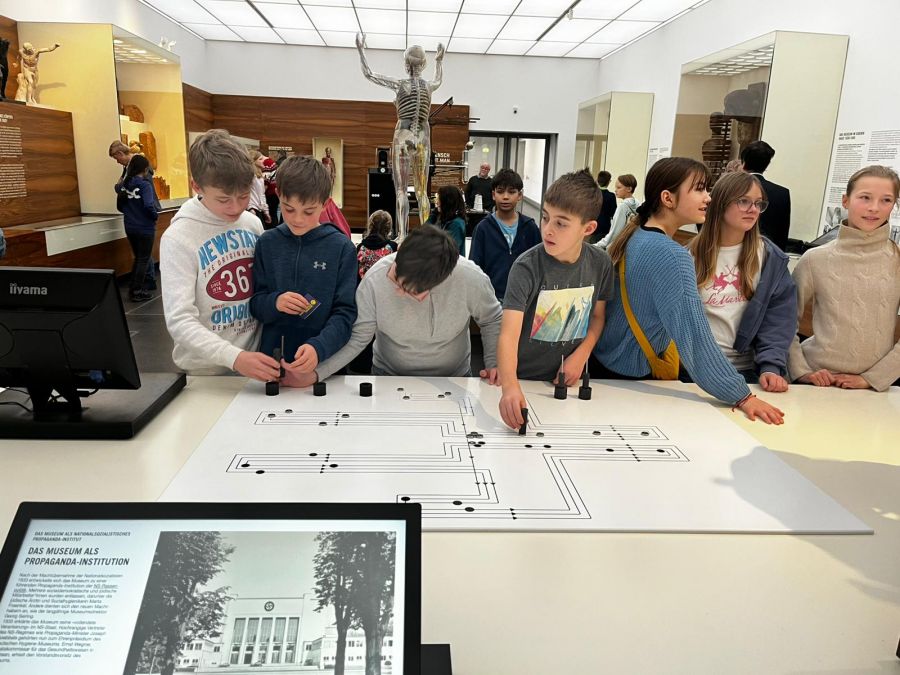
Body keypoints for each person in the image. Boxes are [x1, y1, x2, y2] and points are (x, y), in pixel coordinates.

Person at [592, 157, 785, 424]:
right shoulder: (671, 255)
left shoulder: (636, 236)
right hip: (633, 379)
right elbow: (694, 336)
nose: (708, 197)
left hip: (606, 371)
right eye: (699, 189)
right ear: (668, 198)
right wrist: (741, 395)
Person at [284, 226, 502, 387]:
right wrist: (316, 373)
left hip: (454, 378)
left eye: (408, 289)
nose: (397, 291)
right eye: (396, 276)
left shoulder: (471, 278)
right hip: (388, 377)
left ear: (438, 283)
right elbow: (358, 337)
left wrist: (494, 363)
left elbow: (492, 319)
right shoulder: (375, 279)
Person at [496, 169, 614, 429]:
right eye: (545, 218)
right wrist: (510, 385)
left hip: (568, 382)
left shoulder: (600, 263)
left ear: (588, 228)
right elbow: (508, 334)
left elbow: (597, 317)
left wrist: (581, 355)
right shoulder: (526, 267)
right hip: (523, 379)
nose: (548, 230)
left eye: (561, 223)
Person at [160, 129, 279, 382]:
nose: (235, 207)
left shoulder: (252, 224)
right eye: (223, 199)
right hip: (206, 372)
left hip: (256, 364)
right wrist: (234, 357)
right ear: (196, 186)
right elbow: (180, 320)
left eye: (243, 196)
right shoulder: (178, 237)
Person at [788, 165, 900, 391]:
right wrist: (802, 371)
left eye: (886, 200)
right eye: (865, 197)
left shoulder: (897, 260)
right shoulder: (814, 259)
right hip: (817, 382)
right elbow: (784, 320)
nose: (874, 208)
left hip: (875, 390)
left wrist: (872, 378)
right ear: (846, 201)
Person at [687, 172, 797, 391]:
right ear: (721, 203)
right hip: (693, 370)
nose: (753, 209)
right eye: (744, 201)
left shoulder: (769, 258)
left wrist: (770, 367)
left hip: (745, 370)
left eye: (758, 203)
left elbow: (779, 319)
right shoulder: (688, 255)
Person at [250, 155, 357, 378]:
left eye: (308, 211)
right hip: (272, 362)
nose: (298, 219)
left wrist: (320, 347)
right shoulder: (267, 243)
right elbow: (256, 303)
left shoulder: (341, 248)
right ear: (278, 195)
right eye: (289, 209)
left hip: (324, 365)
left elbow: (345, 313)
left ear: (325, 204)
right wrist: (275, 302)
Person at [469, 168, 541, 301]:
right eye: (500, 191)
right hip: (491, 299)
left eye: (511, 192)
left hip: (524, 299)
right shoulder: (483, 228)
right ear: (493, 194)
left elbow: (539, 264)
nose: (505, 197)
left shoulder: (529, 227)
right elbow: (475, 268)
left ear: (520, 195)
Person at [110, 140, 160, 289]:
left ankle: (145, 283)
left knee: (142, 255)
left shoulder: (139, 167)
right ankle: (146, 282)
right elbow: (119, 188)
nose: (117, 161)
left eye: (116, 158)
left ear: (120, 153)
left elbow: (122, 188)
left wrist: (152, 215)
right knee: (142, 255)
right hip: (139, 218)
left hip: (140, 217)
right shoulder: (129, 168)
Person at [741, 141, 791, 251]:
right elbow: (782, 234)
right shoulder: (782, 193)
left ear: (743, 162)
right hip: (769, 254)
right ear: (767, 164)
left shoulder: (733, 188)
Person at [596, 174, 638, 249]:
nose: (615, 190)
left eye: (619, 187)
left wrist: (595, 245)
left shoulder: (622, 206)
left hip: (619, 248)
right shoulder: (637, 204)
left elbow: (614, 233)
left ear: (629, 189)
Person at [357, 210, 398, 280]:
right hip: (384, 285)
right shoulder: (393, 247)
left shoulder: (360, 248)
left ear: (370, 226)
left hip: (364, 286)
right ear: (389, 228)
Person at [432, 185, 467, 256]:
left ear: (447, 202)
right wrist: (434, 214)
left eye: (439, 199)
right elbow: (424, 232)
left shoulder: (456, 224)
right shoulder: (443, 219)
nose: (437, 202)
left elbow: (449, 252)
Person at [248, 150, 272, 230]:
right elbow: (247, 192)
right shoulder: (250, 175)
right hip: (252, 209)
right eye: (260, 159)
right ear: (254, 161)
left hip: (259, 209)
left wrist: (266, 211)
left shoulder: (259, 175)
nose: (263, 160)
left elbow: (261, 194)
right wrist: (250, 208)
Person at [592, 170, 618, 243]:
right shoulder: (611, 196)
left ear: (597, 180)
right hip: (604, 226)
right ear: (609, 182)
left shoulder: (592, 194)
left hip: (592, 224)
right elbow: (613, 213)